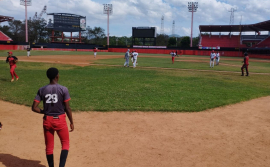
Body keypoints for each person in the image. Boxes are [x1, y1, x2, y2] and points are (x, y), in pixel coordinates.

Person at [32, 67, 74, 167]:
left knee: (49, 147)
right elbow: (67, 108)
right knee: (65, 144)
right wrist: (71, 122)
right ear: (57, 76)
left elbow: (34, 107)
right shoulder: (63, 89)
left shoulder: (42, 89)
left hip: (47, 120)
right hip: (60, 120)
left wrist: (44, 111)